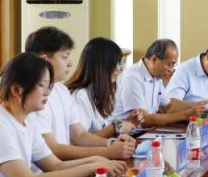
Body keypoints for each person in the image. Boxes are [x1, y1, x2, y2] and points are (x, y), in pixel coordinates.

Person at [25, 28, 134, 161]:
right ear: (45, 60)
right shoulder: (34, 97)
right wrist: (108, 152)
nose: (70, 63)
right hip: (52, 169)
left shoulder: (61, 90)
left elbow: (80, 135)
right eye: (64, 57)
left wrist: (111, 143)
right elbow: (53, 149)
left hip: (64, 166)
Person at [114, 39, 206, 125]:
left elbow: (169, 105)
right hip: (125, 133)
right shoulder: (133, 77)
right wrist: (185, 115)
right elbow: (143, 120)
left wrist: (202, 105)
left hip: (144, 132)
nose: (171, 70)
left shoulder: (156, 76)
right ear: (154, 59)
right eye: (170, 64)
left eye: (173, 65)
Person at [67, 38, 143, 139]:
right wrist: (116, 127)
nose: (120, 68)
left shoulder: (97, 91)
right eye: (117, 63)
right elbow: (82, 140)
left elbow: (104, 129)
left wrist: (126, 123)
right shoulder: (80, 96)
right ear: (102, 65)